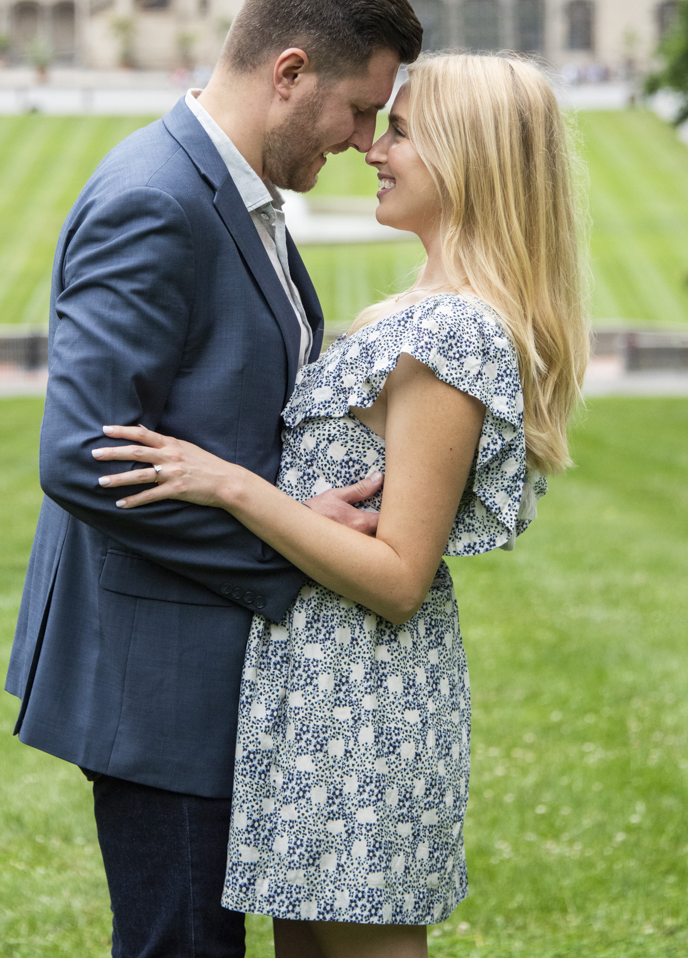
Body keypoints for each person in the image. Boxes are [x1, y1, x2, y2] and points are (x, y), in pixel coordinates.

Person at [94, 53, 589, 957]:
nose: (372, 149)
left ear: (469, 158)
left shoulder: (450, 333)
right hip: (316, 689)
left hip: (365, 705)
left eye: (399, 131)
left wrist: (230, 484)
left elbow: (399, 578)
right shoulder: (416, 312)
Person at [6, 0, 423, 958]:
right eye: (357, 110)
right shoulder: (156, 198)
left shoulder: (239, 194)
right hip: (158, 681)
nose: (363, 140)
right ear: (289, 73)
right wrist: (285, 544)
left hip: (209, 668)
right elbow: (83, 456)